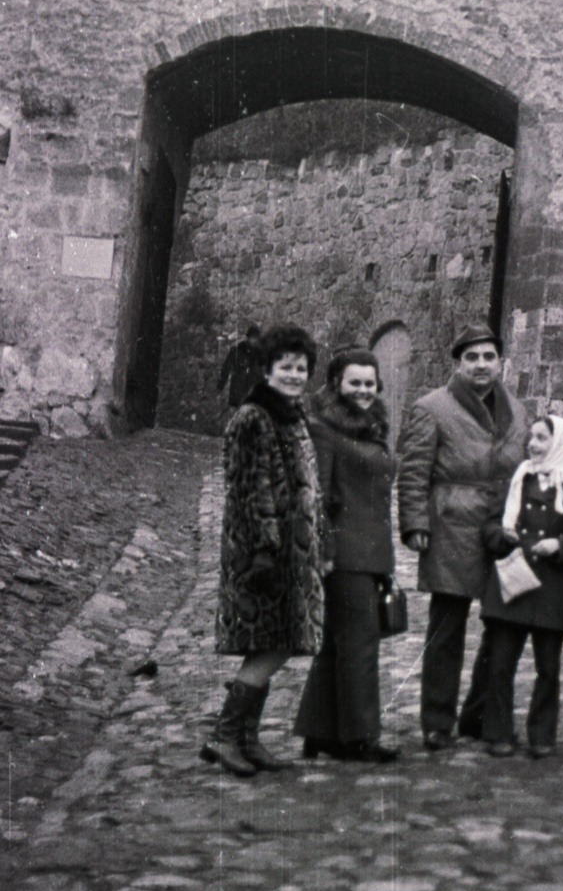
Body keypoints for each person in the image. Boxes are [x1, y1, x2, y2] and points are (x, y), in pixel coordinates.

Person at [397, 323, 528, 750]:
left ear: (500, 362)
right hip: (452, 525)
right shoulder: (432, 407)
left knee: (501, 625)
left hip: (503, 528)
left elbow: (528, 466)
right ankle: (437, 720)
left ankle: (479, 714)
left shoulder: (519, 410)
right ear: (458, 363)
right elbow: (414, 469)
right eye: (471, 358)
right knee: (446, 627)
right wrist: (415, 523)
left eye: (488, 357)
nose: (481, 365)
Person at [201, 324, 324, 777]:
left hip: (290, 554)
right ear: (268, 370)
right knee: (271, 643)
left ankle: (246, 739)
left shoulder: (291, 414)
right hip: (262, 555)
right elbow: (250, 492)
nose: (294, 375)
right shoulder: (254, 417)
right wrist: (265, 552)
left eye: (301, 368)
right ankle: (225, 735)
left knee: (277, 641)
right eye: (285, 368)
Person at [294, 347, 399, 763]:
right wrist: (325, 551)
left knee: (339, 645)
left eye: (369, 383)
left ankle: (319, 731)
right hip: (346, 555)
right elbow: (317, 494)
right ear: (336, 383)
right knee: (359, 644)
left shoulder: (370, 426)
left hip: (370, 553)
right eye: (354, 382)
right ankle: (360, 737)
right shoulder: (324, 429)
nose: (363, 390)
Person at [480, 415, 563, 759]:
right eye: (532, 438)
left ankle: (542, 735)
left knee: (548, 667)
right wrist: (503, 536)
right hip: (512, 582)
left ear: (558, 443)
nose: (533, 444)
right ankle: (499, 732)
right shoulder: (517, 479)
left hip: (550, 587)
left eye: (542, 438)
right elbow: (488, 527)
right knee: (500, 663)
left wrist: (560, 546)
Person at [217, 325, 263, 411]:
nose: (255, 341)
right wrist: (220, 385)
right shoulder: (237, 351)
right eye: (253, 338)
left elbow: (264, 374)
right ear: (247, 338)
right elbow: (226, 367)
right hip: (239, 392)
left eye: (257, 338)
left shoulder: (260, 355)